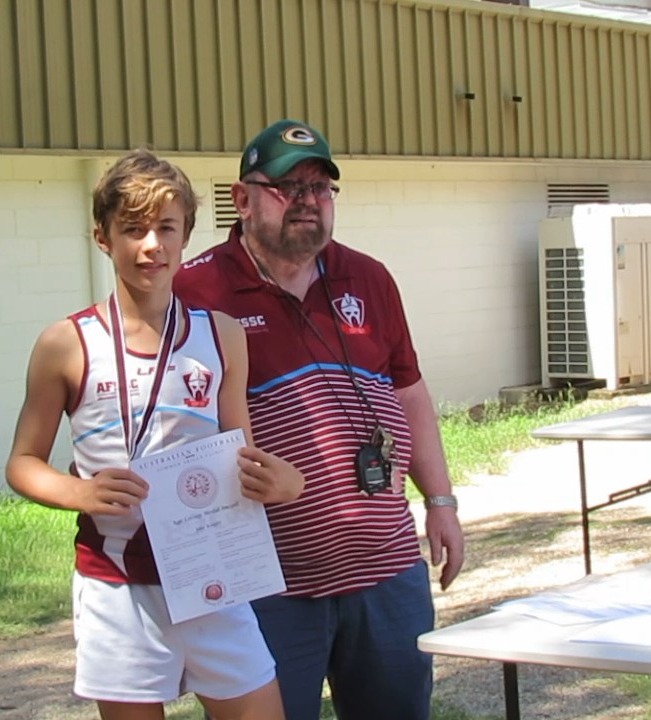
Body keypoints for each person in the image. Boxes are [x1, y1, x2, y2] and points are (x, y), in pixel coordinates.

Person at [175, 120, 466, 720]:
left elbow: (408, 391)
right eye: (287, 187)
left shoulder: (369, 277)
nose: (307, 201)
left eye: (320, 187)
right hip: (267, 587)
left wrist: (440, 500)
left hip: (386, 573)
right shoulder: (195, 290)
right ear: (242, 197)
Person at [4, 149, 304, 720]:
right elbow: (22, 461)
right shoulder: (66, 343)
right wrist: (79, 493)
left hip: (211, 571)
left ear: (186, 235)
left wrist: (284, 480)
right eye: (133, 229)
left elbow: (239, 455)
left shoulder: (223, 336)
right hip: (119, 583)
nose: (151, 245)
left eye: (166, 228)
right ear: (103, 237)